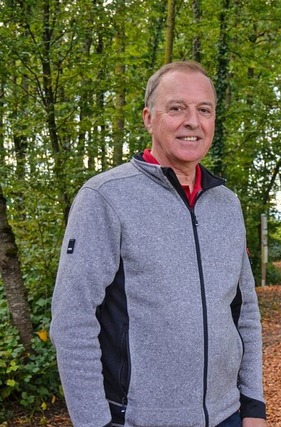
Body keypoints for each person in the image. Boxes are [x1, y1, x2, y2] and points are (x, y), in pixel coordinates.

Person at [50, 61, 267, 427]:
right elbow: (72, 320)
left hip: (228, 415)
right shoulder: (105, 197)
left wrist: (254, 405)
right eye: (177, 108)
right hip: (139, 419)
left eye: (204, 110)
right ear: (149, 118)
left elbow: (244, 312)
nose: (192, 121)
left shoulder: (226, 203)